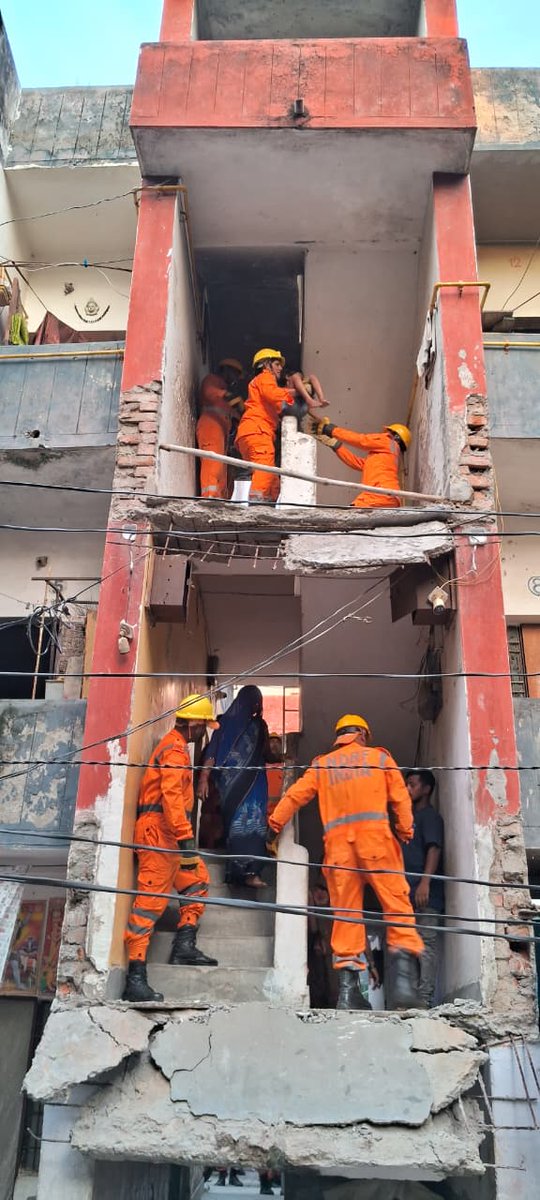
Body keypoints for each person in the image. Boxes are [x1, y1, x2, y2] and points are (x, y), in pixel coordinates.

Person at [267, 714, 424, 1011]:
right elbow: (401, 799)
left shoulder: (323, 765)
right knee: (397, 905)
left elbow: (295, 795)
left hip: (339, 853)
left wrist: (274, 825)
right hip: (377, 844)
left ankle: (348, 994)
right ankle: (404, 986)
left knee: (346, 916)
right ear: (362, 734)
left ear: (339, 738)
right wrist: (405, 831)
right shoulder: (379, 759)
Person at [123, 694, 220, 1003]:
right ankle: (135, 978)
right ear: (194, 724)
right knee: (148, 905)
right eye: (204, 726)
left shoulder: (176, 747)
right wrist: (186, 840)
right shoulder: (174, 751)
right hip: (159, 835)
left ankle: (184, 946)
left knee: (197, 881)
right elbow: (172, 799)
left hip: (168, 836)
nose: (204, 733)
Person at [198, 686, 271, 888]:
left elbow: (266, 752)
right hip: (231, 788)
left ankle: (251, 873)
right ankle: (238, 873)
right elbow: (212, 753)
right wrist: (203, 778)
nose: (257, 706)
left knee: (254, 824)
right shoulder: (223, 723)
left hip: (254, 784)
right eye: (256, 702)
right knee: (237, 826)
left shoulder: (259, 725)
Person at [403, 769, 445, 1008]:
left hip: (426, 894)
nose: (407, 789)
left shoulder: (429, 817)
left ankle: (424, 999)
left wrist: (425, 882)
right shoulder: (408, 819)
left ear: (427, 789)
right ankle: (410, 999)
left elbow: (434, 848)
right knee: (408, 945)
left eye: (412, 784)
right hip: (407, 893)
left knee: (426, 944)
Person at [235, 349, 295, 504]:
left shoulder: (260, 384)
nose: (280, 368)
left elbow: (277, 404)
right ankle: (256, 506)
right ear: (266, 365)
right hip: (258, 431)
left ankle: (268, 504)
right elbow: (273, 394)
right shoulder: (265, 377)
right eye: (276, 364)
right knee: (265, 469)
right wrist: (294, 394)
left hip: (251, 433)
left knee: (272, 479)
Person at [312, 419, 411, 509]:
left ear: (396, 436)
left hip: (380, 493)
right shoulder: (388, 457)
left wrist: (331, 430)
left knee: (350, 514)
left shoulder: (388, 441)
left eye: (388, 432)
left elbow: (361, 440)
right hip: (390, 498)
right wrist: (336, 445)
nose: (385, 434)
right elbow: (356, 463)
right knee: (355, 515)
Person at [196, 358, 244, 499]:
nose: (235, 379)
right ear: (226, 370)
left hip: (222, 432)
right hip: (210, 426)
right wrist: (228, 395)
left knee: (222, 467)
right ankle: (210, 495)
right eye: (235, 374)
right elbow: (210, 393)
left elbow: (234, 415)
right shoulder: (212, 380)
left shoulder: (227, 400)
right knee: (212, 461)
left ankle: (220, 498)